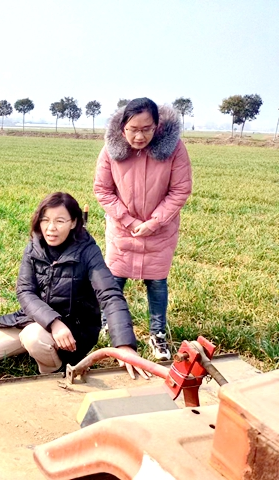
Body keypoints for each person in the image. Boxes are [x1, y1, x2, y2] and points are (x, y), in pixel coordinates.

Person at [0, 192, 142, 376]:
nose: (51, 228)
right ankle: (40, 348)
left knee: (34, 338)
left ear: (73, 222)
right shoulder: (34, 247)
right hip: (38, 320)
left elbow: (110, 295)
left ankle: (55, 372)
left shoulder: (88, 252)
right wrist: (53, 322)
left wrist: (124, 345)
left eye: (60, 221)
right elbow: (25, 291)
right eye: (45, 220)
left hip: (73, 331)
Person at [94, 98, 192, 361]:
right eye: (133, 129)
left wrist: (155, 222)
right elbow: (103, 190)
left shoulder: (174, 149)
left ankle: (157, 334)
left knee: (157, 283)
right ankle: (108, 323)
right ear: (122, 127)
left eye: (146, 129)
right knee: (114, 280)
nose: (139, 136)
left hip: (160, 230)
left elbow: (180, 189)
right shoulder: (111, 150)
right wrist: (129, 220)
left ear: (157, 126)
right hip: (122, 229)